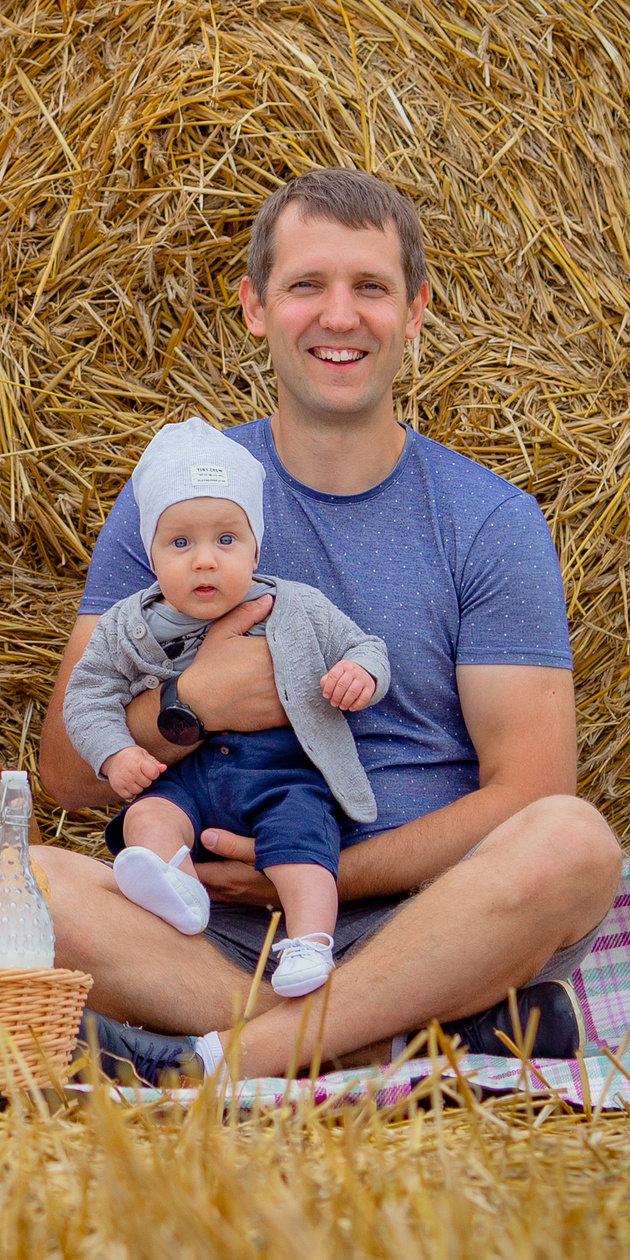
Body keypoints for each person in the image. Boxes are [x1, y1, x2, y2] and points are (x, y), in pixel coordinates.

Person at [37, 168, 624, 1082]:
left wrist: (311, 873)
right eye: (307, 285)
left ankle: (230, 1057)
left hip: (427, 920)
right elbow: (69, 773)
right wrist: (193, 703)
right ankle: (387, 1036)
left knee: (574, 842)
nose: (339, 316)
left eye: (371, 287)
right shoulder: (180, 493)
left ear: (417, 310)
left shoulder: (487, 519)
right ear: (255, 308)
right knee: (27, 884)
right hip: (209, 928)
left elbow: (529, 788)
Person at [62, 418, 388, 999]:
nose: (205, 561)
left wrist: (358, 674)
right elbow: (87, 696)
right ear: (151, 553)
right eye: (180, 543)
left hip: (281, 775)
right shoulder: (126, 626)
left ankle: (310, 943)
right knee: (146, 819)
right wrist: (114, 755)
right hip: (185, 776)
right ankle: (178, 886)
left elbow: (366, 645)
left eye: (226, 540)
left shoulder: (297, 605)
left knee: (304, 846)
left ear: (256, 544)